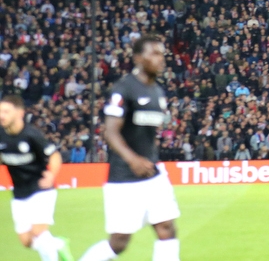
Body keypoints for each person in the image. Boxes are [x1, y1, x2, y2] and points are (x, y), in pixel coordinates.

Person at [78, 35, 181, 261]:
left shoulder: (158, 92)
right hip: (124, 176)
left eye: (162, 53)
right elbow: (111, 131)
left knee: (167, 228)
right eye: (154, 53)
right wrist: (132, 159)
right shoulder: (123, 89)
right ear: (138, 58)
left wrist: (146, 160)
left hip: (152, 174)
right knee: (119, 242)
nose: (160, 59)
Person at [0, 94, 73, 261]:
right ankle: (57, 244)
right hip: (19, 193)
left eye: (6, 111)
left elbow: (54, 156)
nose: (2, 115)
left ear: (19, 113)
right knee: (26, 241)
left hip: (41, 188)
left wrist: (51, 175)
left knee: (39, 233)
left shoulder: (32, 135)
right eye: (0, 111)